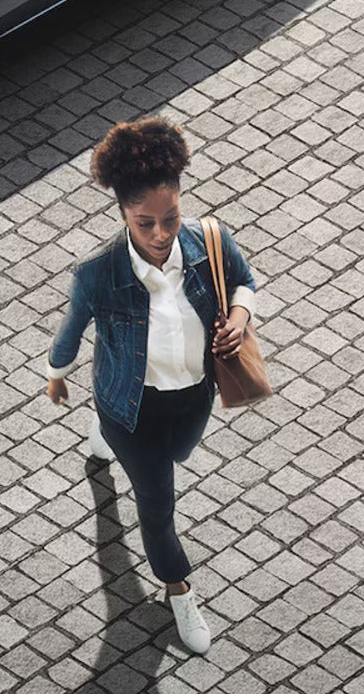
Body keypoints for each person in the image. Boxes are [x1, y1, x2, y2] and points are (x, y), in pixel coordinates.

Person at [42, 116, 259, 655]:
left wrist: (239, 314)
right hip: (130, 410)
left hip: (193, 397)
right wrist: (55, 374)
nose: (160, 235)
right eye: (145, 223)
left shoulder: (210, 242)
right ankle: (179, 587)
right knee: (156, 502)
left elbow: (245, 282)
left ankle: (99, 436)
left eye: (170, 218)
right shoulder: (97, 273)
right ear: (123, 215)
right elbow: (71, 330)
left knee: (179, 453)